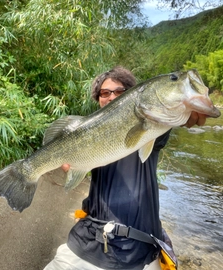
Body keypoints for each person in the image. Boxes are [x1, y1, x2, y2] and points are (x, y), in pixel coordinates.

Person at [44, 66, 206, 270]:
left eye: (120, 92)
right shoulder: (87, 135)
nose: (111, 97)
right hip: (84, 242)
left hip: (136, 254)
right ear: (98, 100)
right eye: (105, 93)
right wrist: (71, 165)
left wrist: (186, 111)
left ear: (132, 96)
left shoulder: (152, 127)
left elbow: (168, 119)